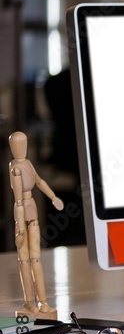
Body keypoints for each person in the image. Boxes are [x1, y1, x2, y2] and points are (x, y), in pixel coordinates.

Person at [9, 130, 64, 315]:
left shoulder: (27, 163)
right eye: (19, 145)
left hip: (31, 209)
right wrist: (20, 228)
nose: (22, 148)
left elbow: (39, 181)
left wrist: (53, 197)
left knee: (36, 259)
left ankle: (42, 302)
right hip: (21, 212)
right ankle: (29, 301)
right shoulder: (15, 168)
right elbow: (18, 201)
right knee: (24, 260)